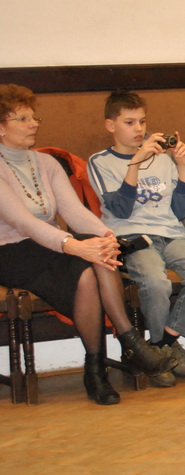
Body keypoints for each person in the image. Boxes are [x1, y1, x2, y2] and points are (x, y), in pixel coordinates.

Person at [0, 84, 175, 405]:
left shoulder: (46, 163)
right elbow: (23, 222)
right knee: (87, 259)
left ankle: (97, 368)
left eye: (34, 117)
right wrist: (73, 245)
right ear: (1, 127)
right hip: (10, 251)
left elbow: (74, 212)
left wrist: (107, 238)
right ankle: (128, 344)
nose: (34, 124)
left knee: (90, 269)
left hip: (51, 246)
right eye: (23, 119)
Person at [87, 90, 185, 387]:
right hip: (132, 237)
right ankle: (163, 350)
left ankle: (162, 344)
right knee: (156, 282)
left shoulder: (163, 160)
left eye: (142, 122)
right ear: (110, 125)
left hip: (170, 234)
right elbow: (121, 209)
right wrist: (135, 163)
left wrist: (183, 169)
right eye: (130, 122)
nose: (139, 129)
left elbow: (180, 211)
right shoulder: (100, 162)